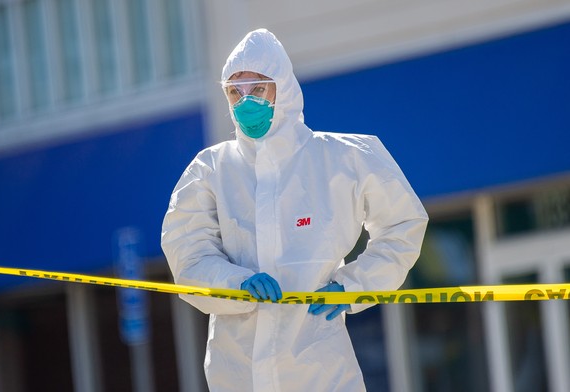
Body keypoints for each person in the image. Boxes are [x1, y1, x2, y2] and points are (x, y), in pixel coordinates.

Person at [162, 28, 428, 392]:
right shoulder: (211, 170)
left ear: (282, 88)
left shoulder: (342, 159)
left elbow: (403, 224)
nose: (245, 102)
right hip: (237, 375)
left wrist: (354, 285)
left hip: (322, 374)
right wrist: (236, 283)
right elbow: (187, 256)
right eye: (234, 92)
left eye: (257, 89)